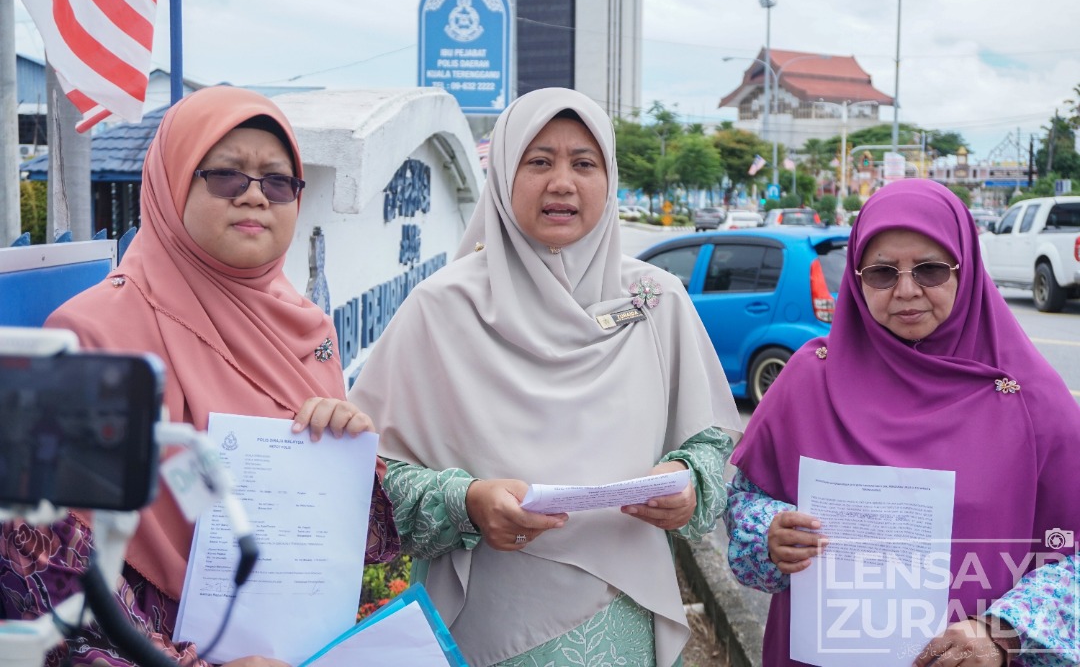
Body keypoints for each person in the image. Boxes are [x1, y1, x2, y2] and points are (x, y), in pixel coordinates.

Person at [0, 86, 399, 667]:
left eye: (278, 181)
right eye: (227, 177)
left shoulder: (308, 331)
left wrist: (347, 453)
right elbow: (45, 584)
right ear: (171, 184)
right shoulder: (91, 337)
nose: (256, 197)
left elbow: (332, 544)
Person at [347, 87, 741, 666]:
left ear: (608, 180)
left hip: (626, 610)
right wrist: (468, 501)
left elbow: (708, 439)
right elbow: (373, 475)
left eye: (584, 163)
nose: (562, 182)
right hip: (488, 613)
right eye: (538, 162)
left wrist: (688, 481)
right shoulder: (442, 307)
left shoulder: (655, 300)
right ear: (504, 175)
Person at [725, 179, 1080, 666]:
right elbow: (745, 500)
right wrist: (769, 533)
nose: (907, 290)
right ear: (856, 277)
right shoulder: (810, 381)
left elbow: (1073, 552)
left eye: (931, 270)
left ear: (967, 269)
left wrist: (1005, 633)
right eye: (882, 273)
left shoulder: (1030, 400)